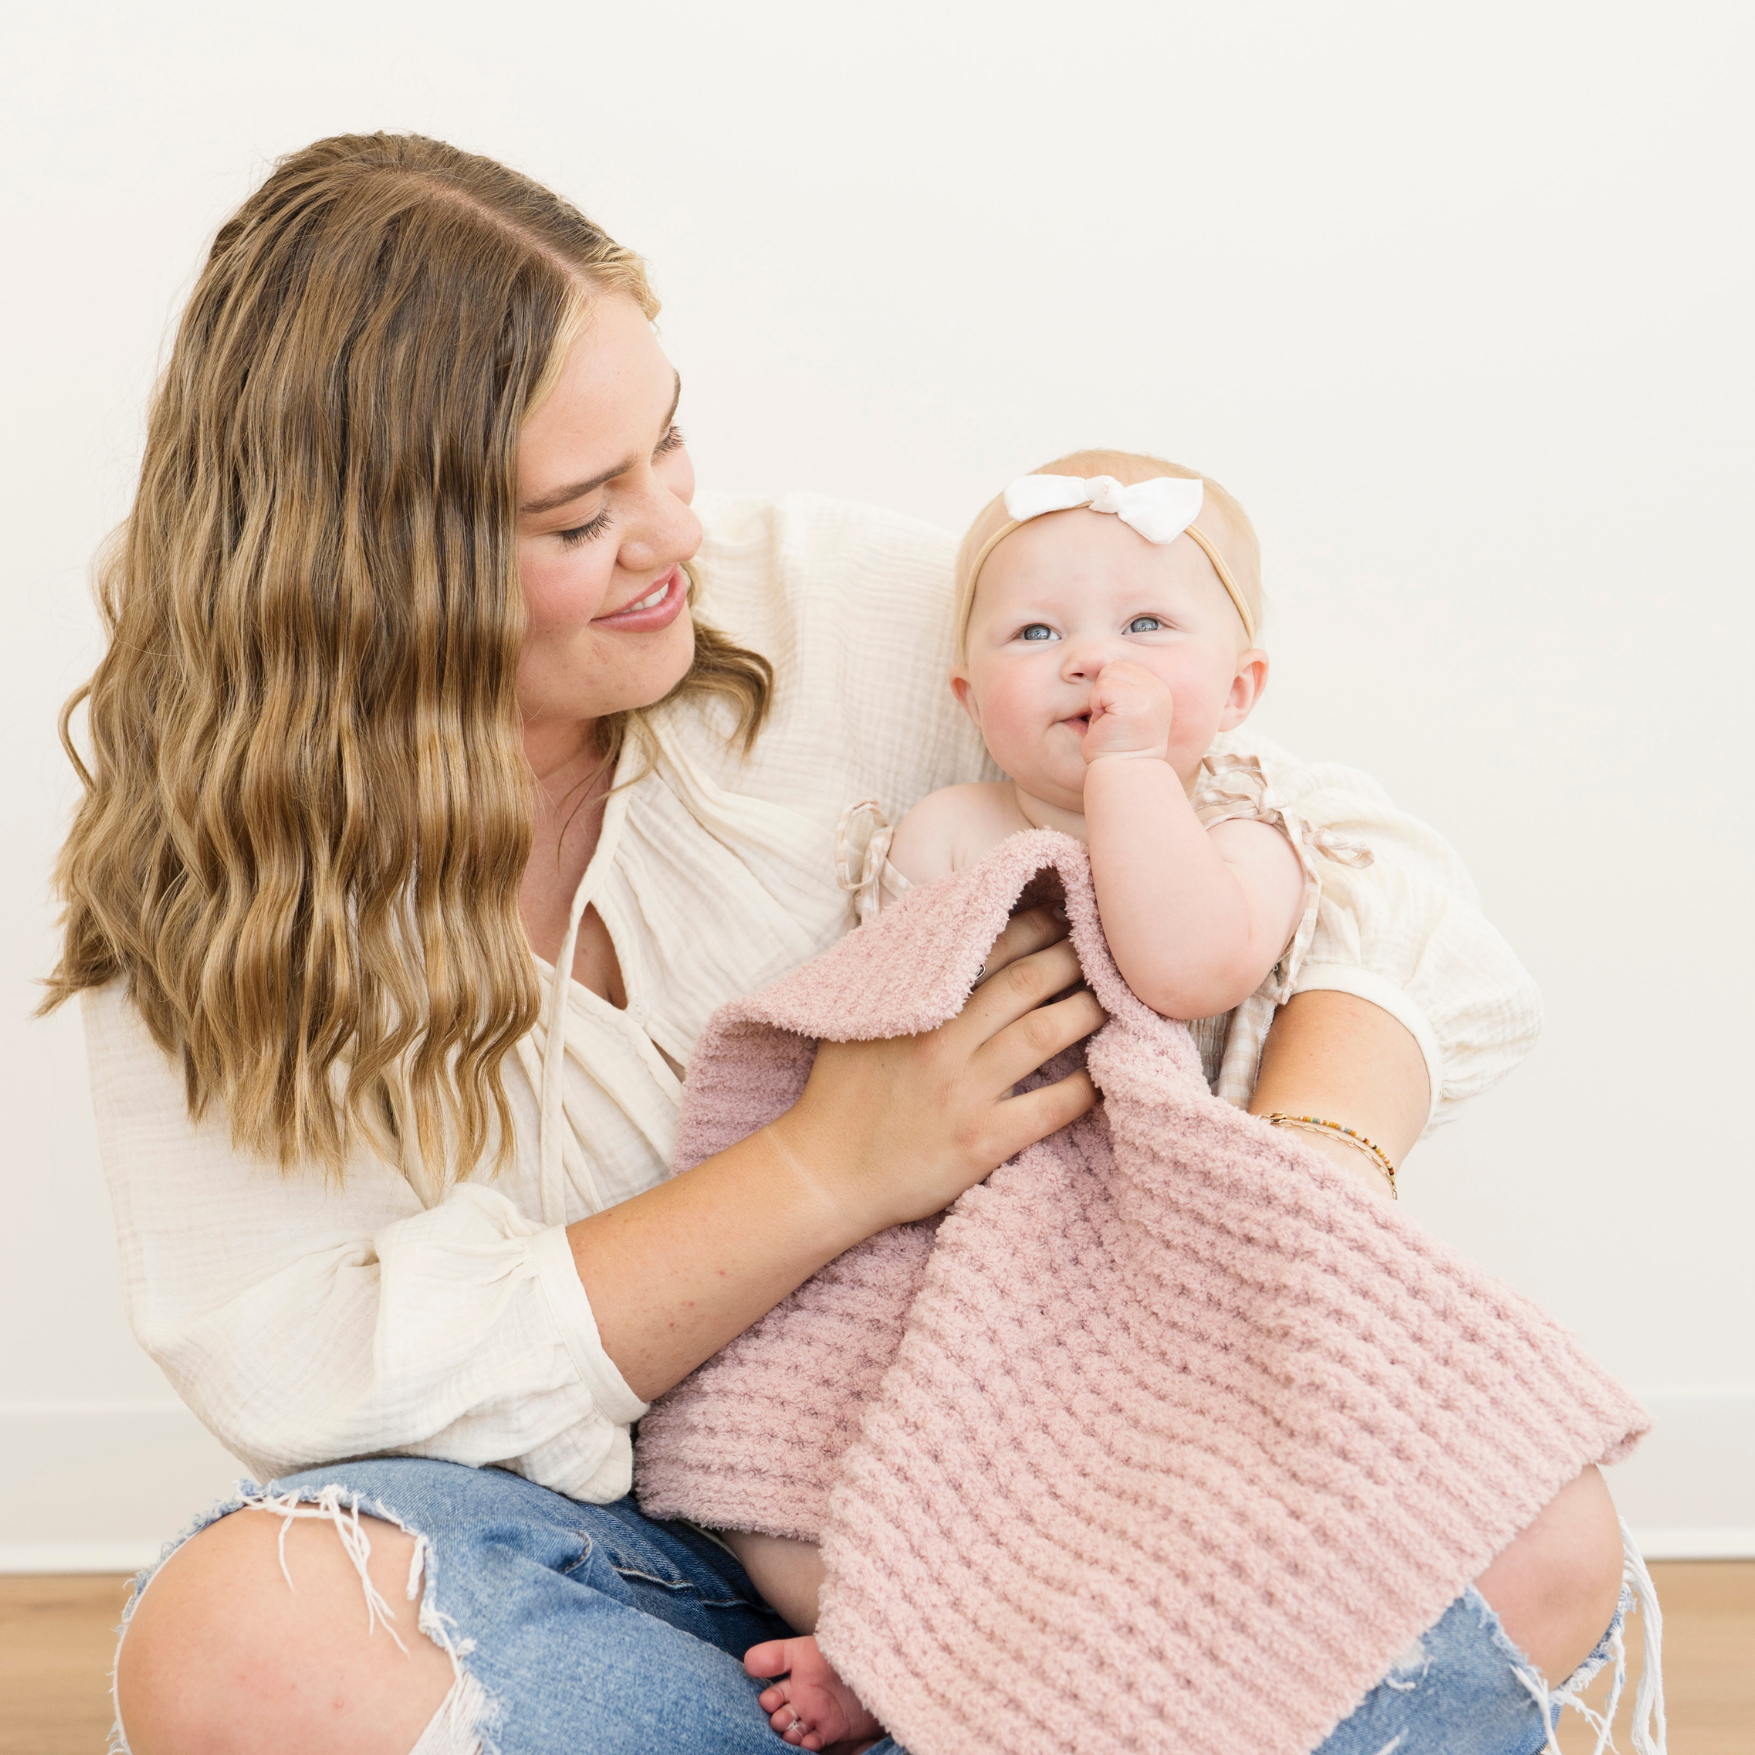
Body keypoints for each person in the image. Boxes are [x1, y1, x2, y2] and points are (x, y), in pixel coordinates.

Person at [44, 133, 1624, 1755]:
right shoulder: (210, 902)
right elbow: (306, 1383)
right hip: (656, 1573)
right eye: (582, 515)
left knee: (1529, 1534)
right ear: (371, 570)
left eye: (668, 447)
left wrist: (1304, 1186)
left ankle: (1027, 1705)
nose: (673, 532)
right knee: (254, 1643)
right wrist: (820, 1172)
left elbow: (1343, 858)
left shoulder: (838, 612)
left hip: (1067, 1500)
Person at [660, 452, 1647, 1751]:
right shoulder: (950, 826)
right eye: (1035, 632)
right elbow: (897, 995)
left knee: (1209, 1490)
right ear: (968, 693)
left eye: (1142, 627)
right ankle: (886, 1639)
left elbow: (1187, 964)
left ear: (1239, 690)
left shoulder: (1248, 831)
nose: (1089, 661)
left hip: (1159, 1254)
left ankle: (1032, 1667)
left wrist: (1128, 776)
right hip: (961, 1232)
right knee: (797, 1454)